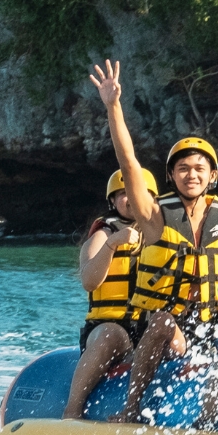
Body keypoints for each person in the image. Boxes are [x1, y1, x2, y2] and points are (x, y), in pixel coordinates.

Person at [89, 60, 218, 425]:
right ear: (171, 175)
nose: (192, 175)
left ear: (212, 176)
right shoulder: (154, 216)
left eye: (200, 169)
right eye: (184, 169)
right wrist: (113, 107)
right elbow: (128, 164)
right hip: (167, 331)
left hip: (213, 326)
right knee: (160, 322)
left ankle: (209, 419)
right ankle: (131, 408)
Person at [63, 168, 157, 420]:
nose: (132, 198)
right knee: (110, 334)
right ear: (112, 201)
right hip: (110, 329)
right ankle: (72, 411)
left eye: (138, 193)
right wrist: (112, 244)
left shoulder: (163, 236)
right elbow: (90, 281)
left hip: (149, 331)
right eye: (123, 194)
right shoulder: (102, 236)